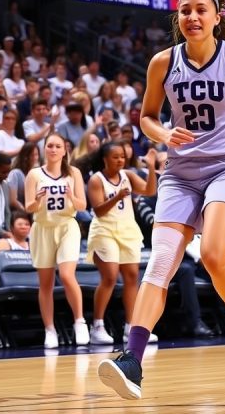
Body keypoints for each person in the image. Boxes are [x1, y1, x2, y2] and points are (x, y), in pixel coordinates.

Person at [98, 0, 225, 399]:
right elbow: (147, 116)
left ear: (217, 17)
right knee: (160, 261)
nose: (192, 17)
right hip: (180, 173)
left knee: (214, 255)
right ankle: (132, 361)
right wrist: (163, 134)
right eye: (185, 11)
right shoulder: (162, 62)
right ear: (177, 18)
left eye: (200, 10)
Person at [87, 143, 158, 345]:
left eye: (122, 157)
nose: (120, 160)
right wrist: (117, 196)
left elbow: (149, 190)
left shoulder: (128, 175)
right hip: (104, 230)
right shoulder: (96, 179)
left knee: (132, 277)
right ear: (105, 159)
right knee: (110, 277)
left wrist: (151, 167)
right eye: (115, 157)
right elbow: (99, 211)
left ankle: (131, 327)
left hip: (127, 229)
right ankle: (97, 326)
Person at [24, 133, 88, 347]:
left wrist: (71, 196)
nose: (53, 149)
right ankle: (50, 329)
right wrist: (37, 200)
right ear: (44, 149)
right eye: (49, 145)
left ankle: (80, 321)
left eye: (57, 146)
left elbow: (82, 206)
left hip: (67, 226)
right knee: (46, 283)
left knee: (67, 275)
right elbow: (29, 207)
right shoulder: (34, 174)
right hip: (42, 228)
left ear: (64, 150)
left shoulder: (74, 173)